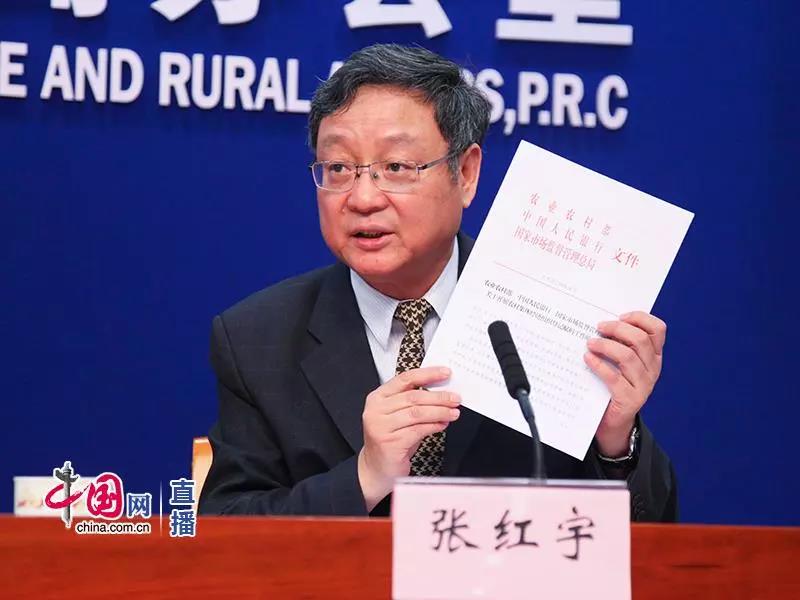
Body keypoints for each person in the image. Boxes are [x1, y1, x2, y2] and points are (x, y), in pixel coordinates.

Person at [198, 43, 677, 522]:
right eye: (339, 168)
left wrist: (616, 440)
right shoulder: (256, 339)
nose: (362, 198)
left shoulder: (553, 314)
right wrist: (363, 478)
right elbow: (222, 528)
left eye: (396, 167)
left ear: (465, 173)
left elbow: (654, 533)